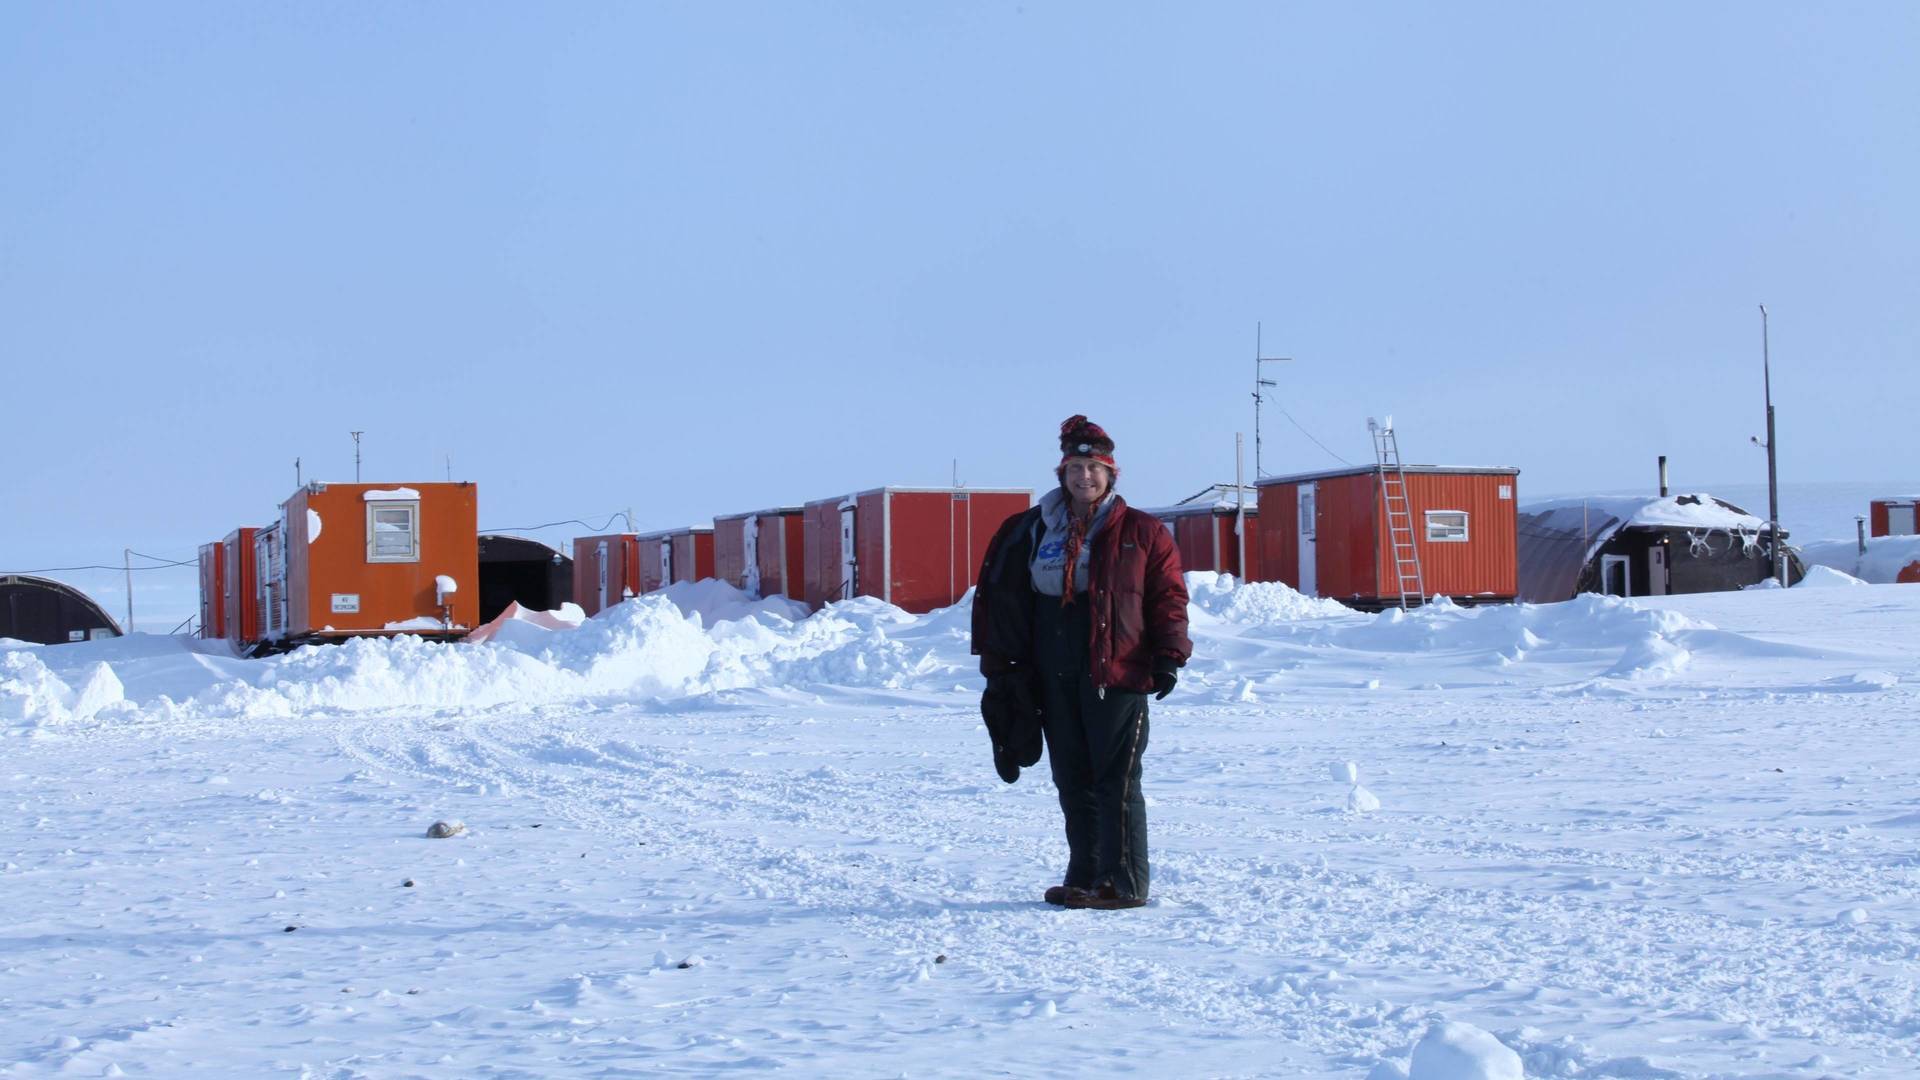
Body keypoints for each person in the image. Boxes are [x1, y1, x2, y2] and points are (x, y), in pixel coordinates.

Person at [972, 414, 1191, 910]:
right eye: (1075, 468)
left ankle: (1124, 882)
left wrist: (1169, 655)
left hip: (1117, 666)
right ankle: (1085, 873)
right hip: (1052, 663)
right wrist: (1004, 666)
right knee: (1071, 774)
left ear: (1111, 475)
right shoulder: (1032, 528)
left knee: (1115, 777)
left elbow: (1168, 596)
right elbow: (1006, 596)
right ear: (1062, 473)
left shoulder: (1142, 531)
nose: (1084, 477)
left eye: (1094, 469)